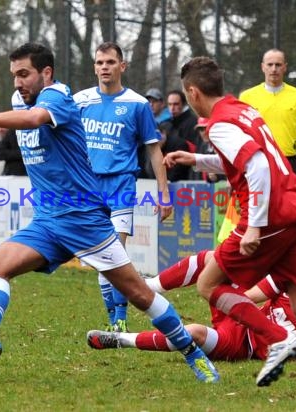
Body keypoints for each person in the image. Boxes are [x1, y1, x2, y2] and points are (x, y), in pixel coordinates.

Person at [0, 42, 219, 383]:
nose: (18, 83)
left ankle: (193, 353)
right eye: (14, 75)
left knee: (140, 295)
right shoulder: (20, 99)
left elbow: (33, 120)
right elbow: (24, 115)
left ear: (47, 73)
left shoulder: (57, 97)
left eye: (25, 74)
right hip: (47, 221)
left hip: (84, 221)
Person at [163, 56, 296, 398]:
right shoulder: (244, 109)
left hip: (272, 218)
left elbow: (259, 166)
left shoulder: (220, 123)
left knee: (208, 284)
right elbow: (249, 157)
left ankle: (280, 339)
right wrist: (198, 160)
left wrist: (255, 227)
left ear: (192, 92)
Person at [87, 244, 296, 364]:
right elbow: (250, 296)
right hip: (242, 319)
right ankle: (149, 287)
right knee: (215, 258)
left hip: (241, 346)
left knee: (194, 334)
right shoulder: (291, 282)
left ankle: (121, 339)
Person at [73, 42, 173, 332]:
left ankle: (119, 321)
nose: (105, 67)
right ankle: (115, 317)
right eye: (100, 62)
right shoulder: (80, 101)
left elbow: (154, 151)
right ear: (94, 66)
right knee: (100, 258)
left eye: (110, 62)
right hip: (87, 187)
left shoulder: (138, 104)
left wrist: (163, 193)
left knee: (113, 253)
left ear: (122, 66)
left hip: (120, 186)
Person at [239, 49, 296, 197]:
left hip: (289, 162)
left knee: (290, 214)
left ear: (285, 67)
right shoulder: (247, 97)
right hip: (258, 162)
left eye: (278, 64)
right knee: (259, 214)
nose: (274, 69)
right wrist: (235, 175)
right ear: (263, 67)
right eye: (270, 64)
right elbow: (239, 137)